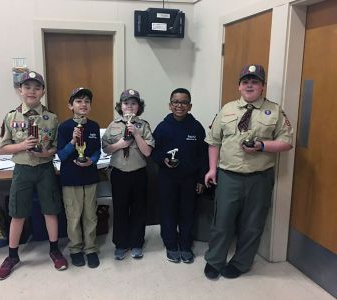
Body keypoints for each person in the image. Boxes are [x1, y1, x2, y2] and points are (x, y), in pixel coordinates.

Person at [203, 64, 294, 279]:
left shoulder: (275, 111)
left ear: (262, 86)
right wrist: (212, 169)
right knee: (221, 221)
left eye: (255, 82)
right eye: (246, 82)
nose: (250, 85)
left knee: (252, 224)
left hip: (259, 178)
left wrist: (262, 146)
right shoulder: (227, 109)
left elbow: (287, 142)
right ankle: (214, 260)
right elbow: (213, 142)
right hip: (228, 175)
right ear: (239, 86)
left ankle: (241, 263)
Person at [0, 71, 68, 280]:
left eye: (37, 88)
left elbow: (55, 147)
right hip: (23, 170)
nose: (32, 91)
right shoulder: (11, 116)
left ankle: (54, 250)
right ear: (20, 90)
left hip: (45, 169)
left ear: (43, 91)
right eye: (27, 87)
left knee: (50, 210)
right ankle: (12, 256)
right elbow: (4, 146)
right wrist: (22, 145)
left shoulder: (52, 118)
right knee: (17, 213)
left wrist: (45, 152)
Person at [151, 88, 209, 264]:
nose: (179, 105)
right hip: (167, 179)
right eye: (176, 102)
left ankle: (185, 244)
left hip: (189, 180)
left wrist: (201, 179)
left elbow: (203, 156)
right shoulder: (162, 128)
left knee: (187, 213)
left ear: (190, 106)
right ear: (170, 105)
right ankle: (171, 244)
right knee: (168, 212)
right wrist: (163, 160)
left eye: (184, 102)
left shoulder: (196, 128)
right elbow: (153, 152)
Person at [102, 89, 155, 260]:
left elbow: (147, 152)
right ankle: (121, 243)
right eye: (126, 103)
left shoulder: (144, 125)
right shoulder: (113, 125)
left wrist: (137, 135)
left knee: (139, 210)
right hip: (119, 173)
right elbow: (106, 149)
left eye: (133, 103)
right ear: (121, 106)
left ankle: (137, 243)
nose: (130, 107)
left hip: (138, 173)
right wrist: (120, 144)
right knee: (120, 209)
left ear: (139, 107)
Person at [57, 87, 101, 268]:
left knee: (91, 216)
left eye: (87, 101)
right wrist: (73, 142)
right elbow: (61, 155)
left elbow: (98, 149)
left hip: (90, 177)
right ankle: (75, 249)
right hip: (71, 178)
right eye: (79, 101)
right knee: (74, 216)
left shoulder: (94, 126)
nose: (83, 104)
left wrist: (92, 160)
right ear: (70, 105)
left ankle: (91, 249)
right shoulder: (64, 127)